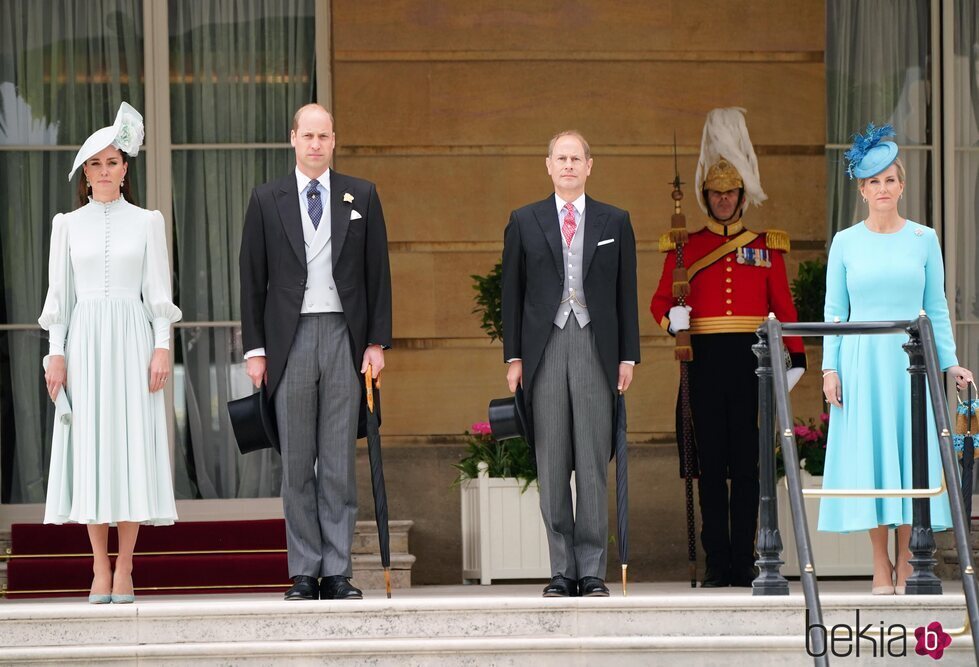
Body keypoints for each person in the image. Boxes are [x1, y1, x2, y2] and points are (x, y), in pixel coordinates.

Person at [239, 103, 392, 601]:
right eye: (308, 135)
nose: (315, 144)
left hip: (344, 338)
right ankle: (304, 570)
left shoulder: (362, 194)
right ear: (293, 138)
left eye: (324, 135)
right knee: (297, 459)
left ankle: (338, 570)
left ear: (334, 140)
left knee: (339, 462)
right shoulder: (267, 199)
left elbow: (377, 275)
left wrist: (375, 342)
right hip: (291, 339)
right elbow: (251, 279)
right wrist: (256, 349)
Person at [650, 107, 806, 588]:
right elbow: (659, 300)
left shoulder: (766, 246)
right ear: (706, 196)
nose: (722, 200)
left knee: (748, 468)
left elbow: (783, 306)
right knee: (709, 467)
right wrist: (670, 318)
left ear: (741, 196)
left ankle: (748, 561)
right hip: (702, 362)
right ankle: (719, 562)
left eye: (730, 193)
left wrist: (795, 357)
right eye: (715, 194)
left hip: (750, 364)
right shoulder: (684, 246)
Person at [819, 123, 974, 595]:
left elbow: (938, 306)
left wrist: (949, 362)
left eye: (890, 179)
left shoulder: (924, 238)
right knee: (872, 460)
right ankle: (878, 564)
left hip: (913, 363)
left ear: (902, 186)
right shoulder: (845, 242)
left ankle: (909, 559)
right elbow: (833, 312)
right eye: (873, 181)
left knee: (913, 461)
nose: (883, 188)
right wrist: (830, 368)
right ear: (862, 190)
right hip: (862, 363)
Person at [39, 103, 181, 604]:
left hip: (132, 344)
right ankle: (99, 566)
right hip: (84, 344)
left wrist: (162, 346)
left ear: (125, 169)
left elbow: (158, 293)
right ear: (85, 173)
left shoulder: (148, 222)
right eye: (96, 164)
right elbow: (59, 298)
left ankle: (126, 567)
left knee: (130, 450)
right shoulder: (66, 225)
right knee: (93, 451)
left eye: (113, 162)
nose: (105, 171)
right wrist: (55, 354)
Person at [501, 130, 640, 598]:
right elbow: (512, 294)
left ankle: (592, 570)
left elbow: (626, 292)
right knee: (553, 461)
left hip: (595, 347)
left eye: (575, 158)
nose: (567, 165)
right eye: (560, 158)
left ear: (589, 165)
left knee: (592, 462)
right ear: (548, 165)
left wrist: (627, 356)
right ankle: (562, 569)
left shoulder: (615, 221)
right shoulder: (523, 221)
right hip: (544, 349)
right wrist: (514, 357)